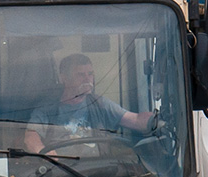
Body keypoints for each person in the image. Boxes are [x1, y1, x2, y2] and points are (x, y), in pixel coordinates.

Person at [23, 53, 156, 153]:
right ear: (64, 78)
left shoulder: (100, 104)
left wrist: (158, 121)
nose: (87, 79)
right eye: (80, 75)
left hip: (97, 172)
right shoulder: (47, 109)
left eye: (90, 74)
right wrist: (44, 153)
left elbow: (136, 120)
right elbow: (30, 137)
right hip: (60, 173)